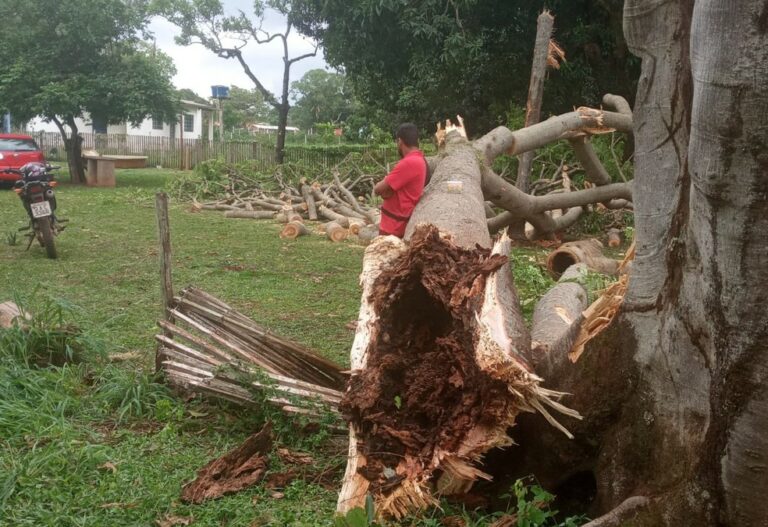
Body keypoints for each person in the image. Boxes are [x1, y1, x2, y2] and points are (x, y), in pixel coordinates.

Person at [374, 123, 427, 238]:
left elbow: (378, 189)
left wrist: (385, 183)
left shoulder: (409, 163)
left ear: (400, 141)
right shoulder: (418, 159)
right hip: (396, 223)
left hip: (393, 227)